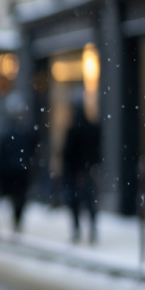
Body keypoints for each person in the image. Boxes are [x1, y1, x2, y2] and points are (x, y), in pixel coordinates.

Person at [0, 92, 38, 232]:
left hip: (13, 170)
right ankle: (17, 222)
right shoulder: (22, 131)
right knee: (19, 198)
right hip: (19, 170)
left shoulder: (10, 131)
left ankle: (16, 222)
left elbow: (0, 153)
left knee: (16, 198)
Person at [62, 99, 101, 243]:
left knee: (75, 202)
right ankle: (92, 229)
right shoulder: (92, 128)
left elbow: (67, 153)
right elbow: (97, 151)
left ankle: (77, 229)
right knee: (89, 201)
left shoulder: (73, 130)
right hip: (87, 171)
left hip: (75, 172)